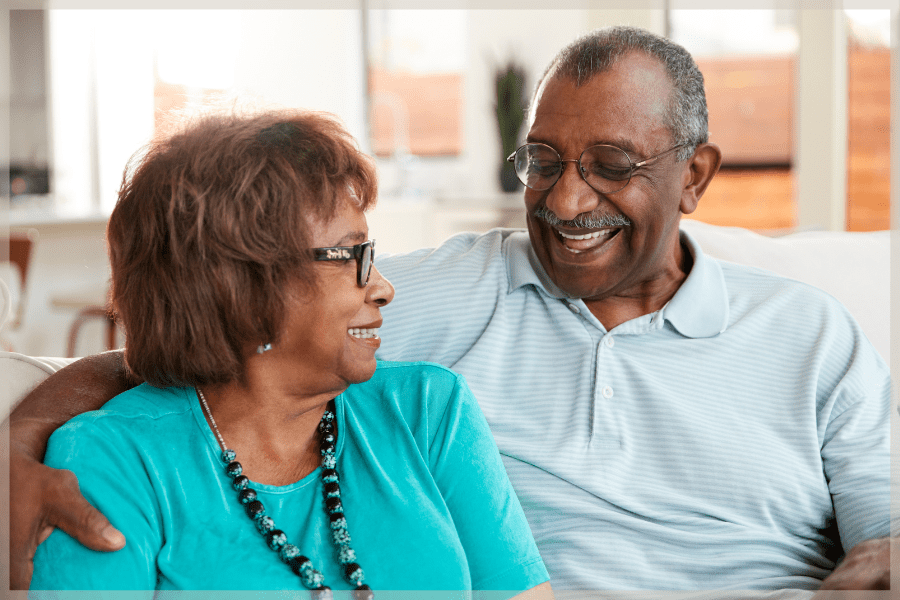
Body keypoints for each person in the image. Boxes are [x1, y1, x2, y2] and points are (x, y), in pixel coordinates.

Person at [9, 26, 892, 594]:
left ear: (694, 175)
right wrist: (16, 444)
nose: (566, 200)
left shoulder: (810, 333)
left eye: (612, 164)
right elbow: (241, 334)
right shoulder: (457, 292)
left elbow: (882, 525)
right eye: (542, 159)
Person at [21, 107, 552, 597]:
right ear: (245, 287)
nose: (384, 286)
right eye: (351, 257)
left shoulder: (428, 411)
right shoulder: (113, 460)